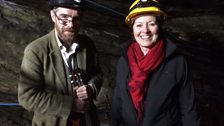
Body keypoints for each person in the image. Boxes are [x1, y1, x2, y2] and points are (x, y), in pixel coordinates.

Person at [110, 0, 200, 126]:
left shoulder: (177, 62)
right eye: (139, 25)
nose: (145, 30)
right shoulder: (124, 61)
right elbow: (118, 99)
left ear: (160, 26)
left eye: (151, 24)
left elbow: (189, 108)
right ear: (132, 29)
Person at [18, 0, 102, 126]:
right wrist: (70, 105)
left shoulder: (87, 44)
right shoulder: (36, 50)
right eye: (64, 18)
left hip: (87, 120)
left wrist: (91, 87)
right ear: (53, 15)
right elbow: (27, 97)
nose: (71, 25)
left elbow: (97, 74)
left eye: (76, 19)